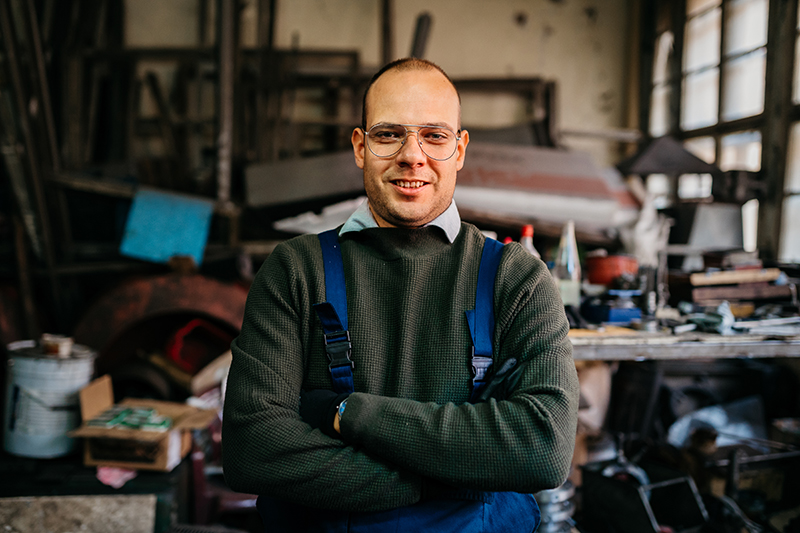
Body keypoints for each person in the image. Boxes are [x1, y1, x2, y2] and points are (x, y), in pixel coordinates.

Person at [222, 57, 579, 532]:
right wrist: (442, 477)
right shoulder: (296, 270)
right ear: (360, 146)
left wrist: (344, 412)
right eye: (389, 134)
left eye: (434, 136)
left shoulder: (516, 279)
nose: (413, 155)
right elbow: (254, 447)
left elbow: (543, 446)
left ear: (460, 149)